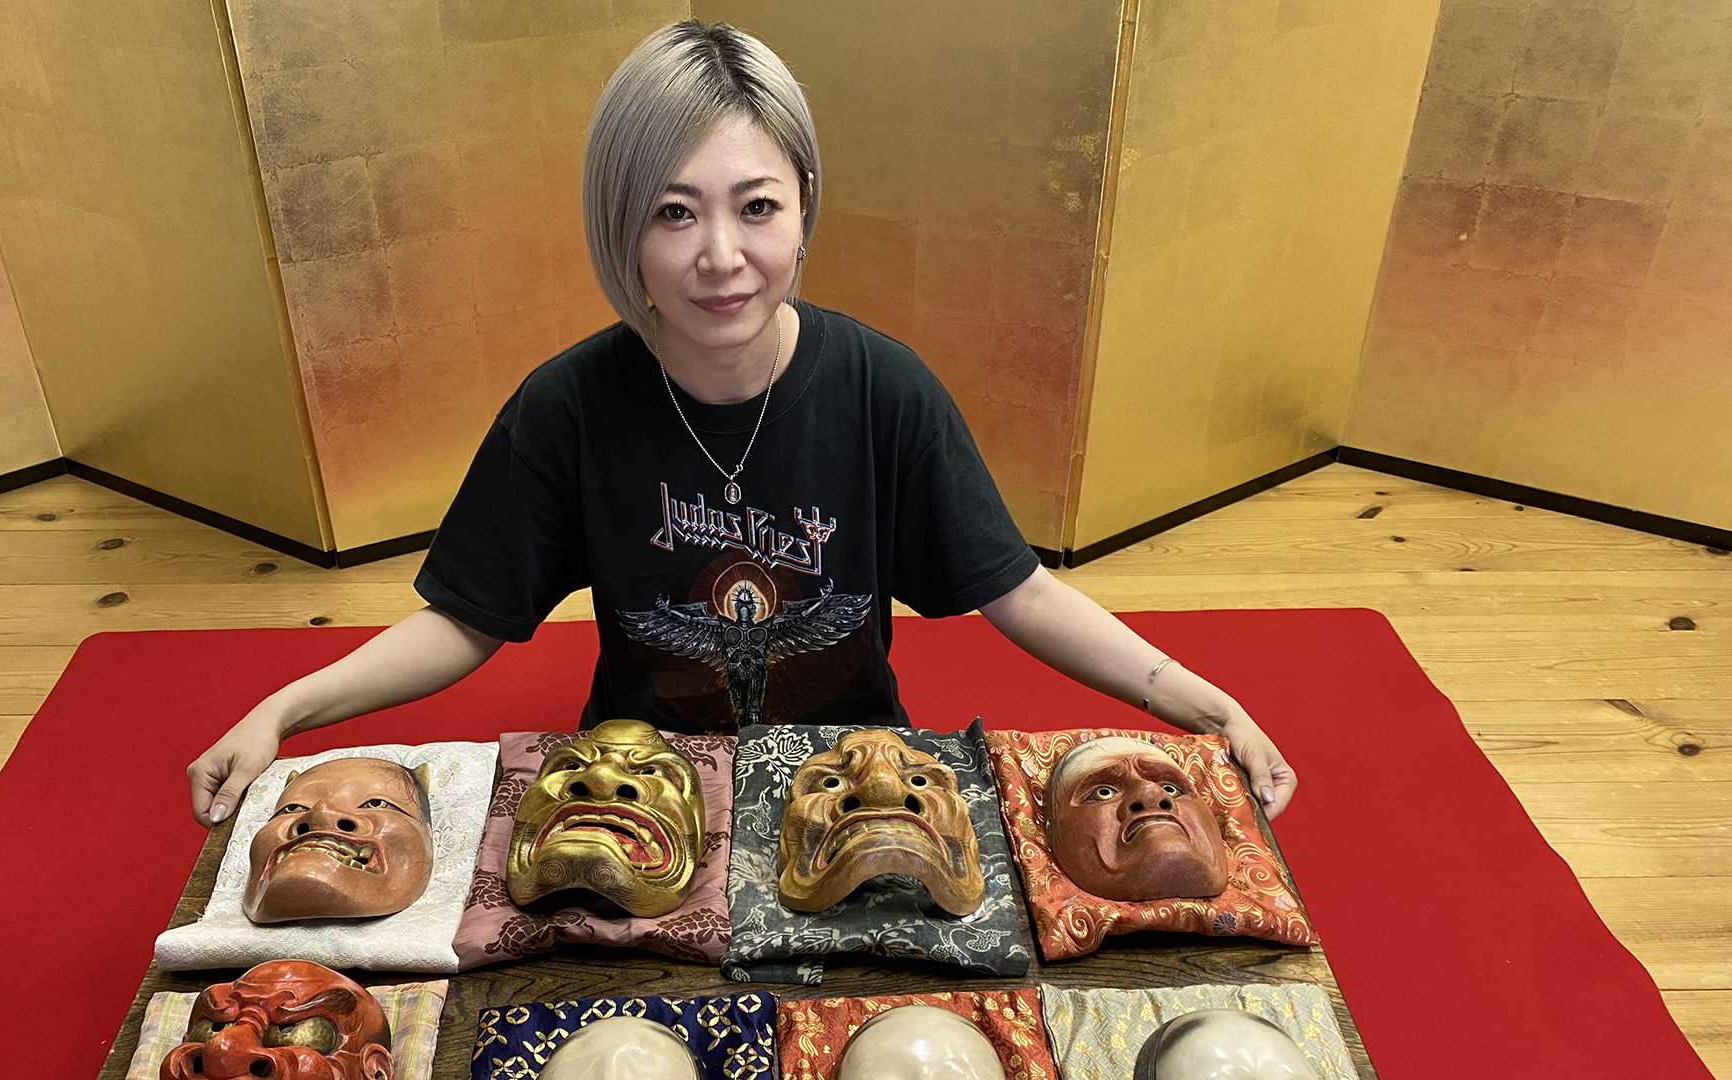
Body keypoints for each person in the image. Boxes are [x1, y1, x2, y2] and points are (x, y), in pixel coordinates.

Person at [187, 21, 1297, 829]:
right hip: (636, 788)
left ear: (806, 202)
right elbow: (466, 620)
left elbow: (1021, 590)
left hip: (857, 780)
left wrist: (1206, 703)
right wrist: (285, 709)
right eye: (674, 212)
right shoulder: (564, 409)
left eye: (756, 205)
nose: (721, 256)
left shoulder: (884, 389)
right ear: (621, 227)